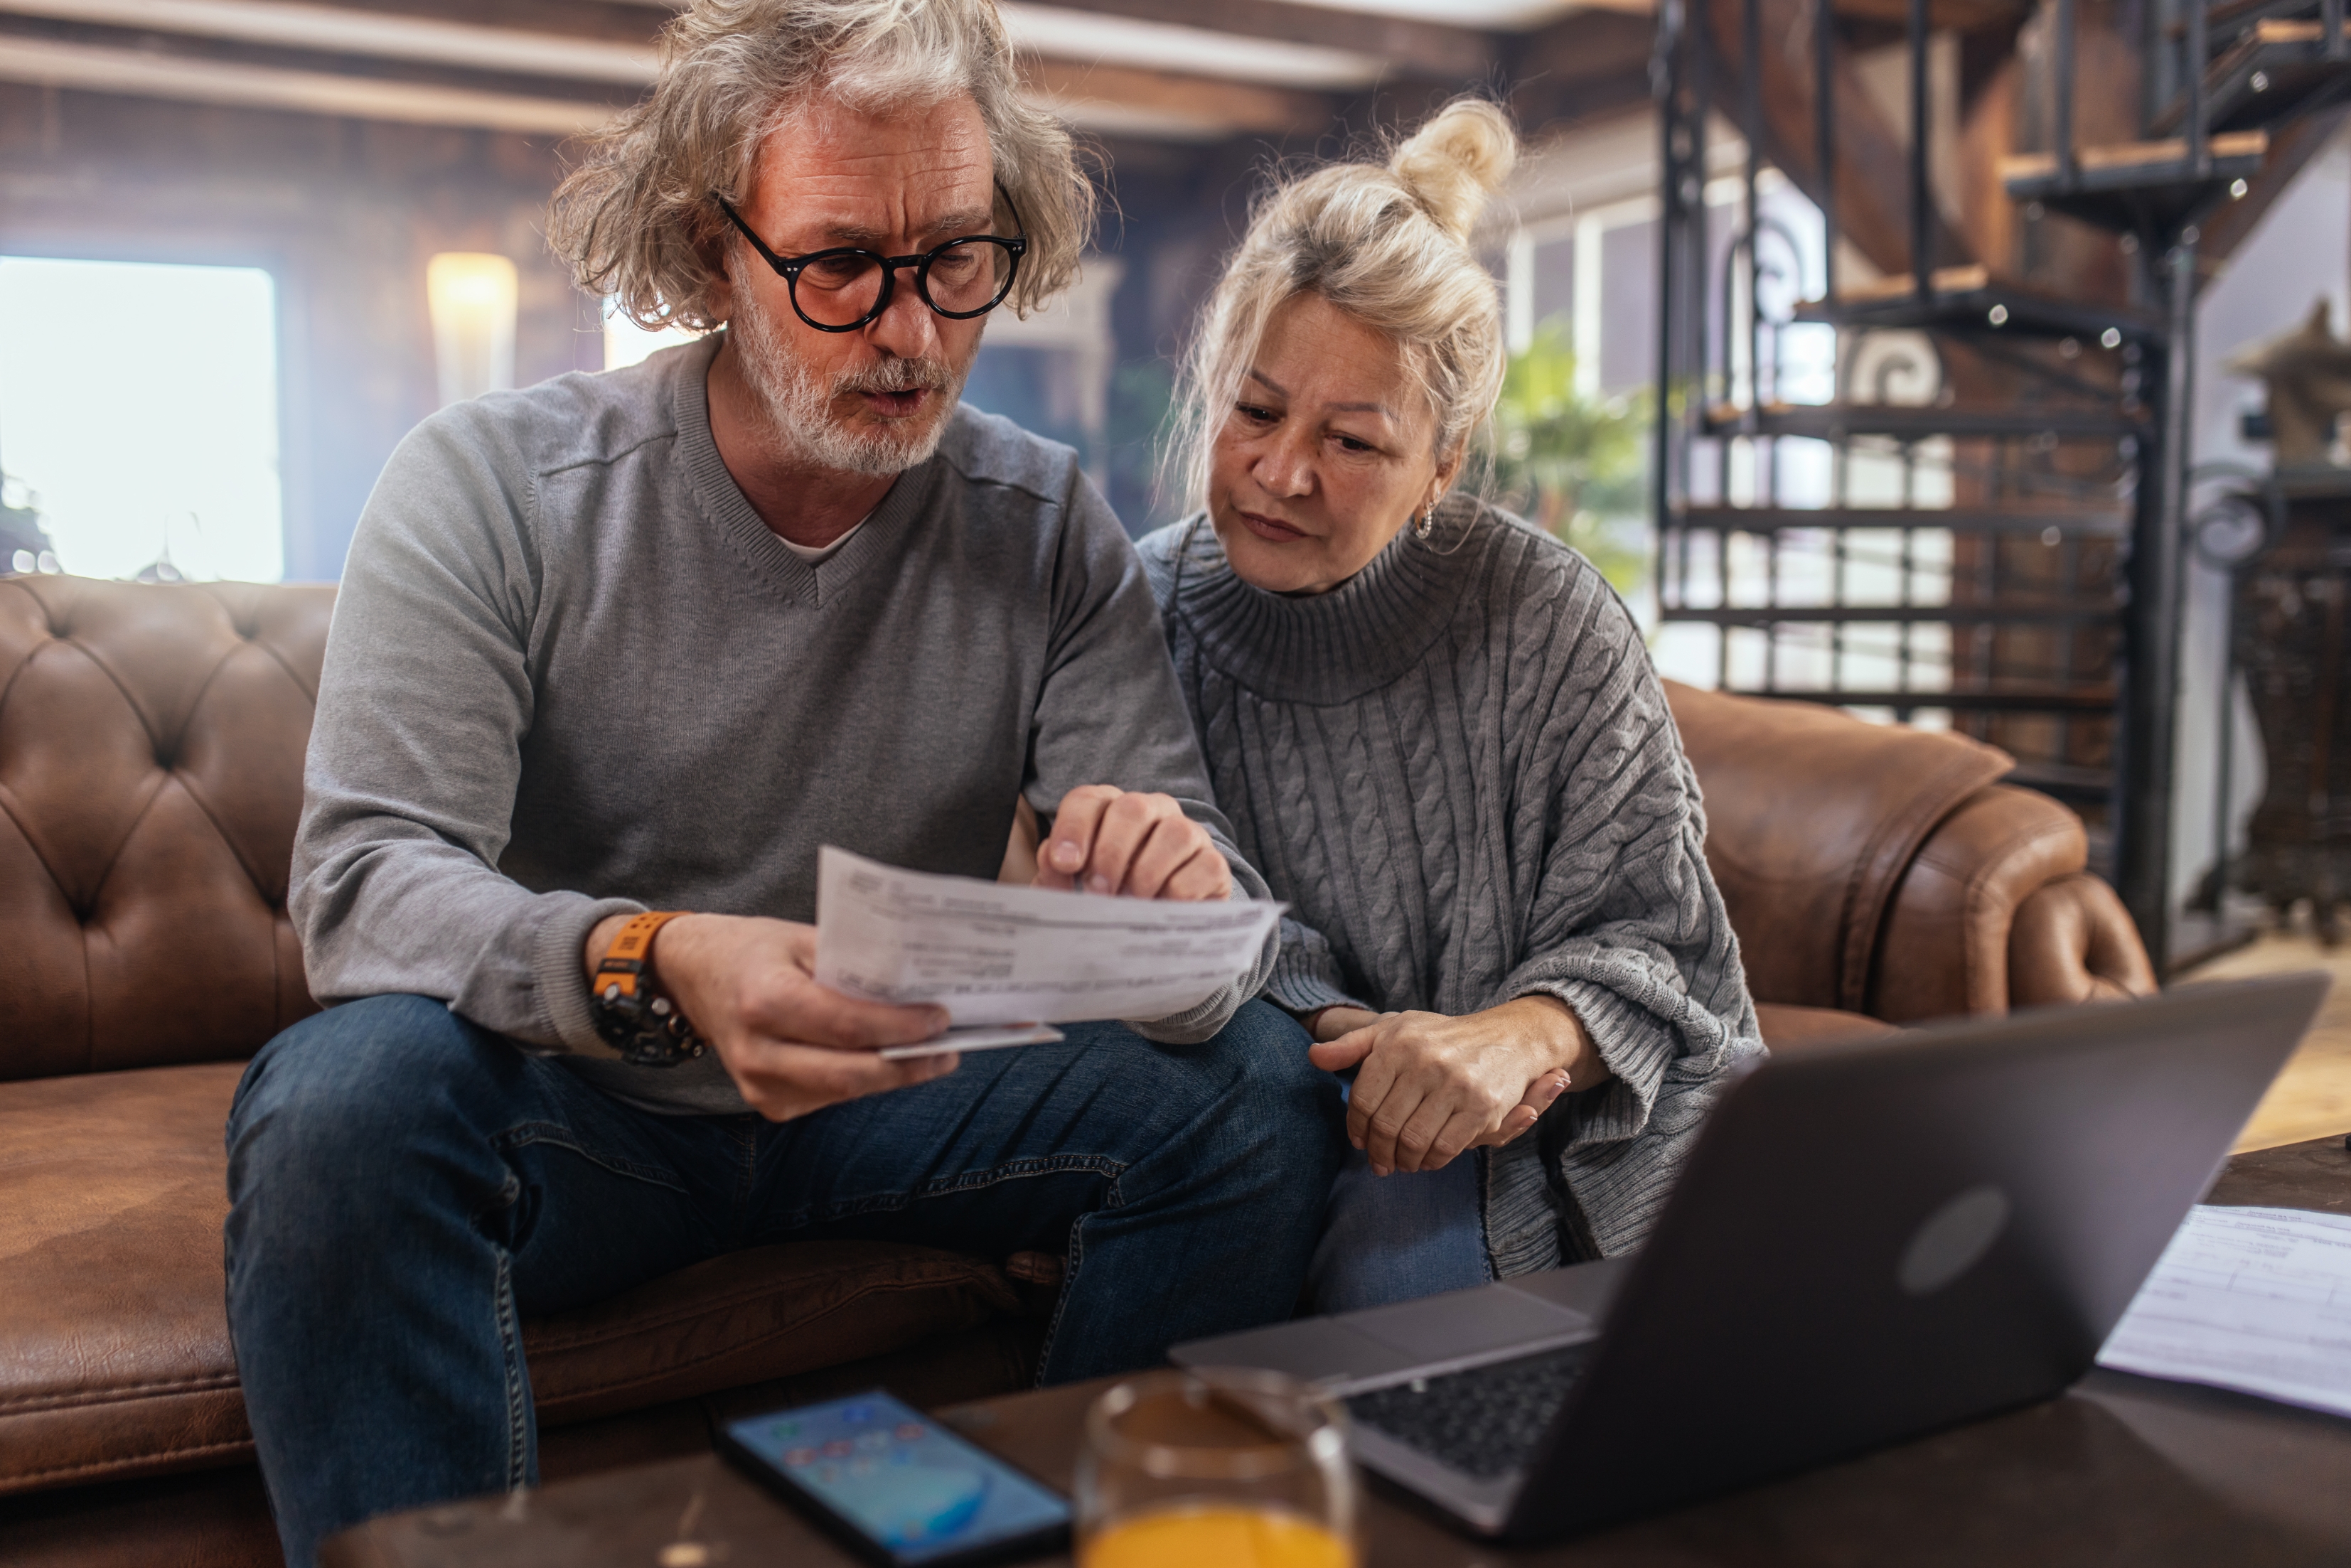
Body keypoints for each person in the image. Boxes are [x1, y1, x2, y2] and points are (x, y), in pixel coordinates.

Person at [223, 2, 1341, 1560]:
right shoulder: (487, 485)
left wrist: (1166, 887)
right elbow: (363, 884)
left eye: (957, 257)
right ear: (705, 256)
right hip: (585, 1108)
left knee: (1264, 1087)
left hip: (897, 1096)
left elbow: (1188, 889)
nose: (911, 332)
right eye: (838, 267)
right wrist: (655, 954)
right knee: (341, 1099)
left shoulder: (1042, 519)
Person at [1137, 100, 1762, 1314]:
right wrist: (1390, 1051)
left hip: (1597, 1122)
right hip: (1330, 1121)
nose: (1282, 473)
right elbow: (1195, 935)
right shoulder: (1137, 612)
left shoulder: (1550, 613)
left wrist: (1525, 1032)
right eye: (1255, 411)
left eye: (1354, 440)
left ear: (1446, 460)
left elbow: (1664, 937)